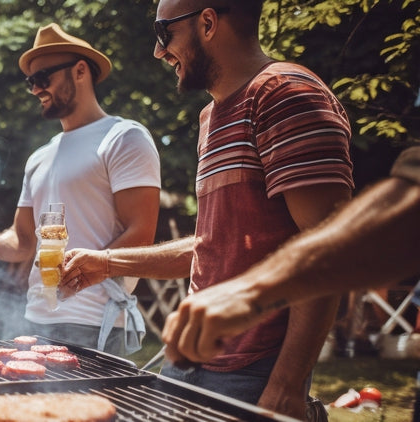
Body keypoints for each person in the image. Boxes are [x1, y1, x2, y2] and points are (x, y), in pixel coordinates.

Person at [58, 0, 354, 418]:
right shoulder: (209, 119)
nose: (159, 52)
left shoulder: (287, 94)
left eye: (164, 34)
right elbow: (214, 247)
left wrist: (286, 385)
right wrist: (107, 263)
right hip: (189, 359)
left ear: (209, 22)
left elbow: (329, 248)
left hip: (254, 371)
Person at [0, 23, 161, 356]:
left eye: (43, 78)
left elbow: (141, 233)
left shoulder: (124, 138)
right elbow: (25, 241)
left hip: (93, 321)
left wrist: (82, 270)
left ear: (80, 71)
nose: (35, 90)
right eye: (31, 82)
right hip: (34, 320)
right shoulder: (39, 157)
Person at [162, 145, 420, 363]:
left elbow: (410, 213)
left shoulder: (288, 98)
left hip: (253, 358)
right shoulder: (208, 119)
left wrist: (250, 291)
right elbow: (209, 245)